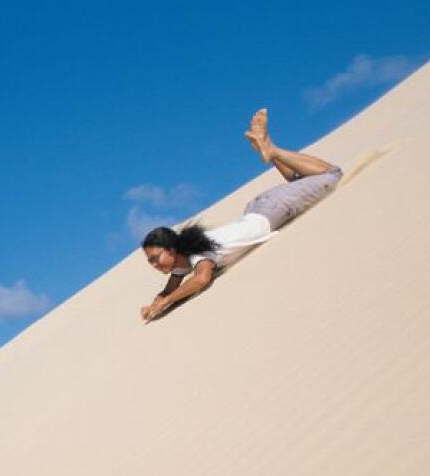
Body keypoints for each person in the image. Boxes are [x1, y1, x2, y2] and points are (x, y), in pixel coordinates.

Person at [139, 109, 343, 322]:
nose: (154, 264)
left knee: (332, 174)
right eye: (150, 261)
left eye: (155, 257)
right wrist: (156, 304)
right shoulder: (183, 261)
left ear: (172, 249)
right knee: (301, 182)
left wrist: (167, 301)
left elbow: (201, 280)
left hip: (271, 211)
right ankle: (266, 143)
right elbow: (170, 286)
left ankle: (272, 150)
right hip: (260, 209)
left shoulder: (198, 255)